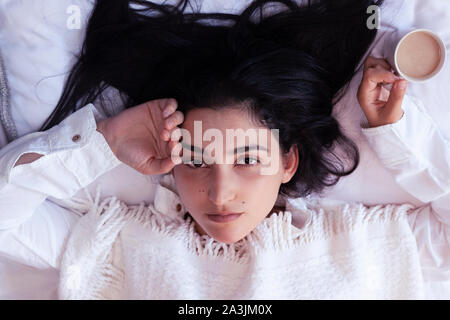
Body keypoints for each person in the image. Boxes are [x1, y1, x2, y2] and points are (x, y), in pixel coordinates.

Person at [0, 0, 448, 299]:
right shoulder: (116, 245)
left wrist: (394, 132)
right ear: (172, 164)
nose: (219, 192)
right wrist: (104, 142)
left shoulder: (366, 246)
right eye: (196, 159)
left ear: (288, 161)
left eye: (248, 160)